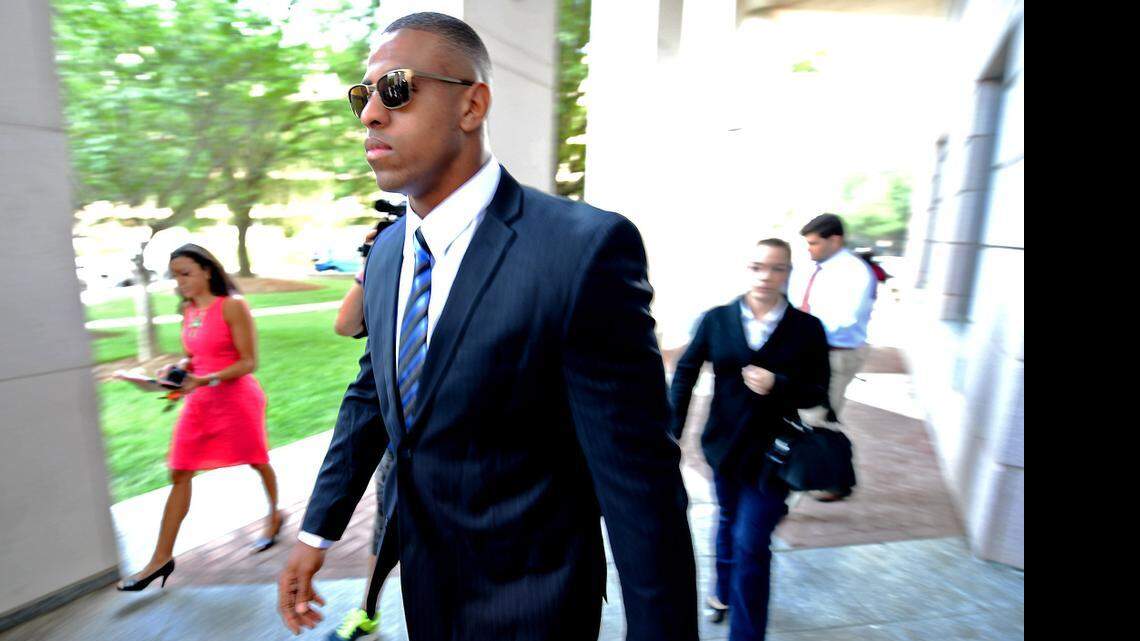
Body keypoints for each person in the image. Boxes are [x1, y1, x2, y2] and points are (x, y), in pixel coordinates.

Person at [277, 12, 698, 641]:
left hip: (537, 604)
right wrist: (317, 531)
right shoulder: (389, 251)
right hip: (425, 593)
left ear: (471, 104)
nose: (369, 114)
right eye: (362, 96)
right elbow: (373, 393)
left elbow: (641, 484)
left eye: (396, 88)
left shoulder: (581, 250)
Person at [669, 239, 830, 641]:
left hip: (775, 455)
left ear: (788, 273)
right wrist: (672, 433)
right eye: (758, 267)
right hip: (724, 446)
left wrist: (780, 384)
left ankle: (746, 634)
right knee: (727, 519)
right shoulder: (717, 319)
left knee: (752, 544)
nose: (765, 276)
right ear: (747, 269)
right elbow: (686, 373)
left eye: (776, 269)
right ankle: (722, 592)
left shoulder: (806, 329)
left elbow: (817, 392)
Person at [114, 244, 282, 591]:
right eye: (175, 275)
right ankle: (161, 559)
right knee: (179, 471)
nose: (180, 282)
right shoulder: (189, 310)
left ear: (207, 270)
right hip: (199, 402)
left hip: (235, 400)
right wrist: (179, 367)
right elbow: (195, 355)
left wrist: (205, 378)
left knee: (256, 460)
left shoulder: (233, 306)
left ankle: (275, 513)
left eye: (186, 273)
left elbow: (248, 362)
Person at [328, 225, 399, 641]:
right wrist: (368, 265)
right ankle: (367, 609)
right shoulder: (391, 273)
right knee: (385, 525)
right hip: (397, 441)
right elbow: (345, 324)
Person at [788, 213, 876, 502]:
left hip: (836, 356)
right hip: (815, 353)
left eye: (814, 243)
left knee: (815, 417)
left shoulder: (853, 272)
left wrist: (803, 336)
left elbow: (844, 320)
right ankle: (836, 481)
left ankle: (801, 487)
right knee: (818, 417)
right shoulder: (816, 268)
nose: (809, 249)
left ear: (834, 239)